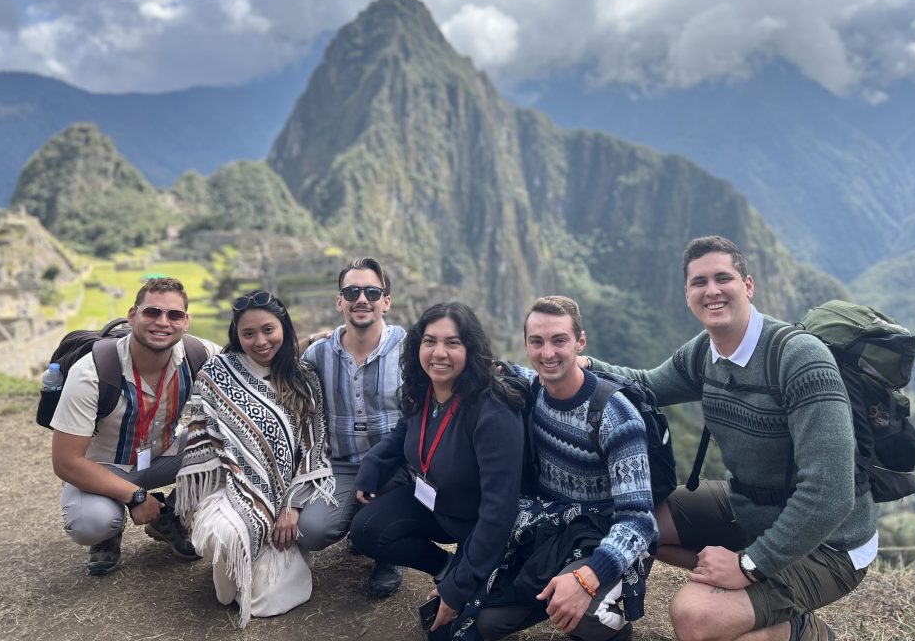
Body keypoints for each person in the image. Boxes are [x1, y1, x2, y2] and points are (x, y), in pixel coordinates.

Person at [584, 236, 877, 641]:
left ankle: (804, 631)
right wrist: (578, 366)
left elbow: (831, 494)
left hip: (830, 542)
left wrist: (748, 566)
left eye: (724, 278)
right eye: (699, 282)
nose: (712, 291)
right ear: (687, 294)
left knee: (695, 616)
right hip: (751, 506)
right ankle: (749, 594)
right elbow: (647, 385)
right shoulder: (706, 352)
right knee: (632, 518)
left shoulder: (799, 360)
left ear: (749, 285)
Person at [474, 296, 657, 641]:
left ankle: (610, 628)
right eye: (537, 342)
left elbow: (639, 520)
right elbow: (505, 371)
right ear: (526, 343)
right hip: (551, 530)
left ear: (580, 342)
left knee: (589, 613)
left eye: (559, 340)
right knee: (485, 621)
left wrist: (589, 575)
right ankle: (556, 598)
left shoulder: (615, 416)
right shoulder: (533, 389)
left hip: (602, 536)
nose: (548, 353)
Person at [349, 302, 526, 634]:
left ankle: (467, 572)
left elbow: (499, 511)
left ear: (470, 349)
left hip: (478, 526)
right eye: (429, 341)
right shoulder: (422, 389)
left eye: (452, 343)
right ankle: (445, 566)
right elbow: (403, 431)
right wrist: (373, 466)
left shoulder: (493, 410)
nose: (438, 353)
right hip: (435, 504)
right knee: (367, 530)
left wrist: (461, 587)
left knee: (444, 630)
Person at [175, 291, 336, 627]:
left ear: (284, 328)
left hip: (287, 493)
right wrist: (236, 492)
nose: (260, 341)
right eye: (248, 334)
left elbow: (313, 447)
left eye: (268, 330)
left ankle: (259, 559)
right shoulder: (219, 372)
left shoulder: (304, 377)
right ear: (237, 336)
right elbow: (203, 437)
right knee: (222, 536)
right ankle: (238, 559)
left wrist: (292, 506)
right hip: (231, 489)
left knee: (266, 601)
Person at [50, 277, 221, 576]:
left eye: (174, 315)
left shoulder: (197, 354)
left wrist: (314, 343)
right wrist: (135, 496)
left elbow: (254, 357)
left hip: (163, 453)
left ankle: (170, 517)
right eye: (152, 312)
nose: (162, 322)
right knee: (91, 523)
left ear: (186, 321)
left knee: (227, 450)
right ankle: (107, 534)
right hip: (103, 465)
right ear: (132, 316)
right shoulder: (91, 372)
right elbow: (66, 461)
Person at [299, 256, 408, 597]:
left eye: (373, 292)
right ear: (340, 301)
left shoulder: (409, 351)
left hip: (396, 466)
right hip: (342, 465)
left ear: (386, 302)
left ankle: (389, 554)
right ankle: (358, 521)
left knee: (378, 527)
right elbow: (277, 377)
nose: (363, 299)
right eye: (352, 291)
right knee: (312, 531)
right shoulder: (318, 356)